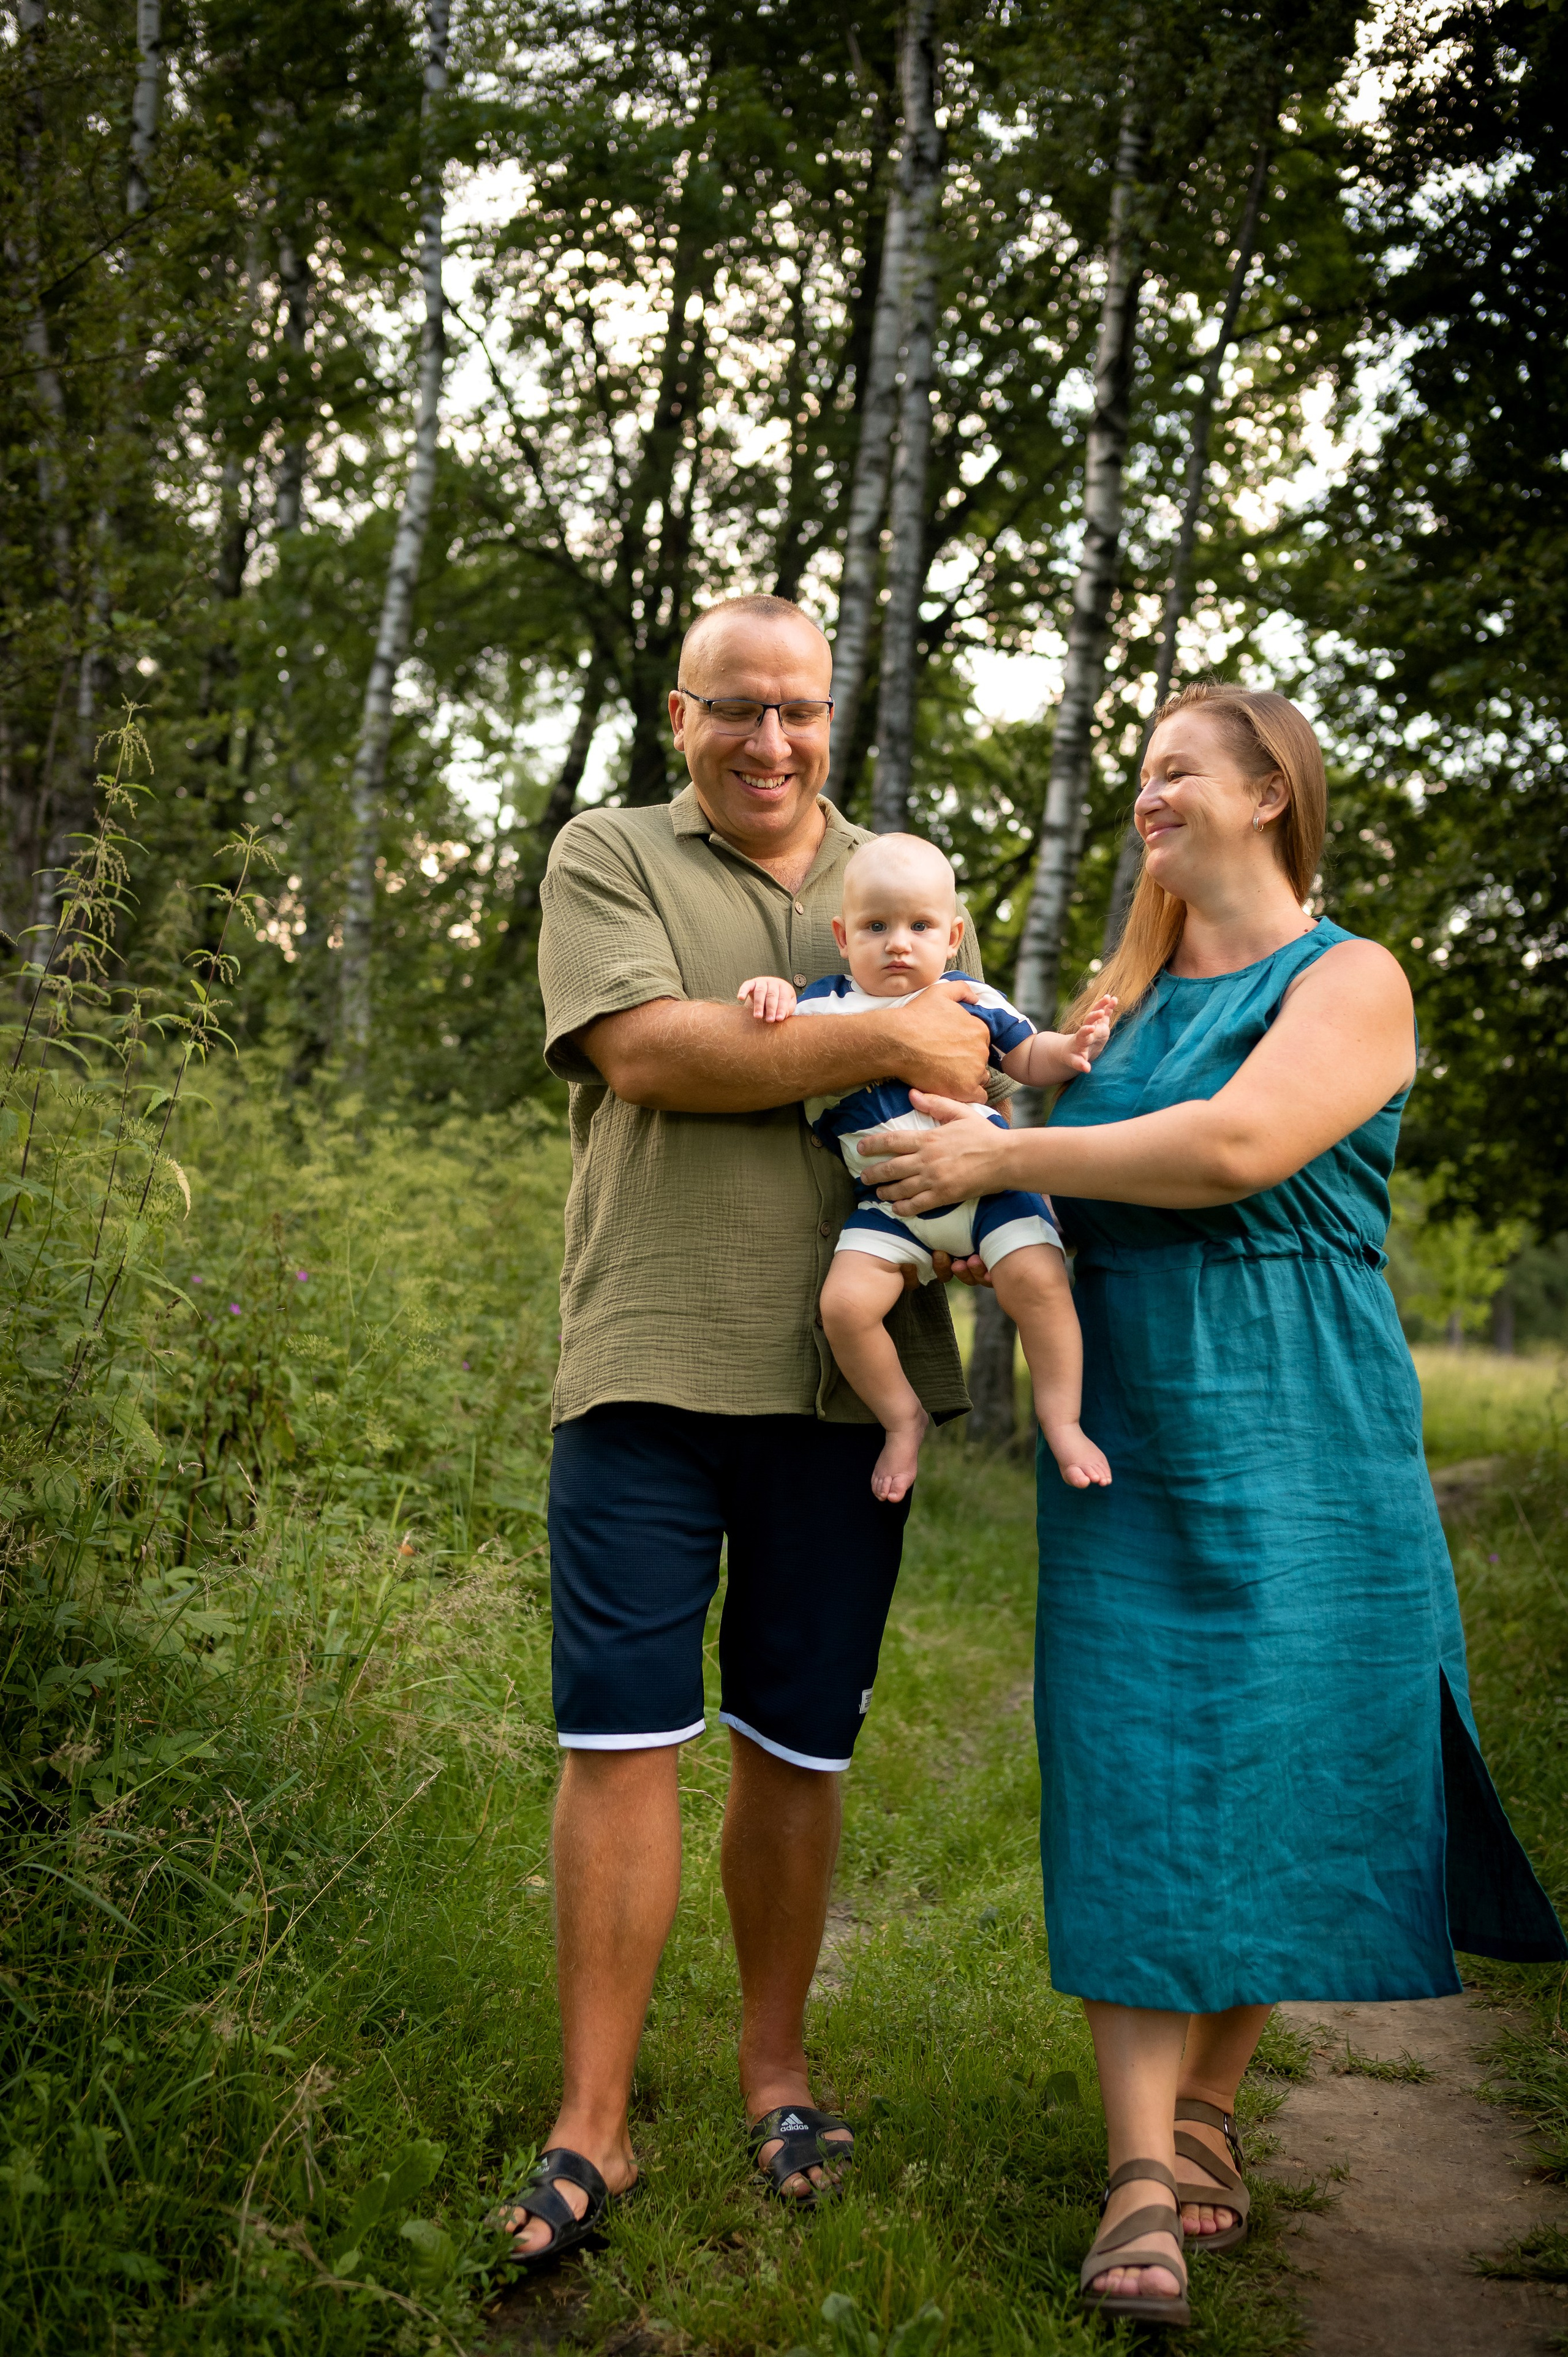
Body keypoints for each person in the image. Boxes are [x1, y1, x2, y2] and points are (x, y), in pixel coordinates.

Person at [855, 681, 1568, 2329]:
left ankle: (1209, 2111)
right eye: (1142, 774)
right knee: (1135, 1749)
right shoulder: (1127, 984)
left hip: (1310, 1410)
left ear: (1271, 791)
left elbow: (1241, 1144)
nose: (1149, 798)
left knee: (1281, 1749)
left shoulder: (1355, 978)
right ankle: (1136, 2183)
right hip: (1136, 1412)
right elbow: (1049, 1149)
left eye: (1178, 770)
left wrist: (1014, 1158)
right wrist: (956, 1165)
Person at [507, 593, 1007, 2261]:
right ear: (680, 715)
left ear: (833, 713)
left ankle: (774, 2070)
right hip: (645, 1360)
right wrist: (891, 1033)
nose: (772, 741)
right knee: (620, 1734)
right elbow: (649, 1052)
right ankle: (592, 2123)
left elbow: (984, 1071)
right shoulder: (609, 853)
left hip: (835, 1388)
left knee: (796, 1744)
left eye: (799, 710)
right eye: (737, 709)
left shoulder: (896, 871)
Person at [735, 831, 1116, 1503]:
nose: (898, 942)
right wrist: (768, 987)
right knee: (845, 1305)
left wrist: (1071, 1047)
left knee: (1042, 1283)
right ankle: (901, 1417)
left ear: (952, 934)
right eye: (875, 925)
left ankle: (1062, 1421)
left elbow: (1025, 1059)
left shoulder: (969, 994)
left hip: (990, 1185)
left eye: (919, 925)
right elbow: (775, 1040)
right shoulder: (825, 1004)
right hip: (890, 1206)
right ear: (842, 934)